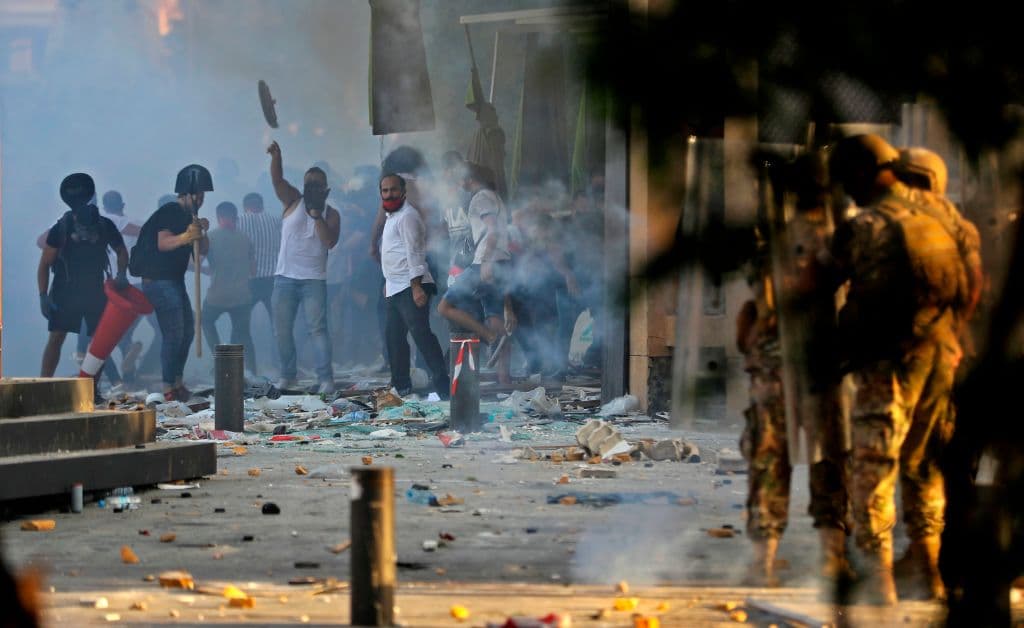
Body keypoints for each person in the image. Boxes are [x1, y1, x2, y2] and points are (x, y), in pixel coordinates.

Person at [828, 133, 966, 604]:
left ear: (862, 175)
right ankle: (928, 571)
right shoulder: (945, 217)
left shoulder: (867, 224)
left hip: (887, 361)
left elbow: (819, 281)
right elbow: (972, 285)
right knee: (924, 465)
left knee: (874, 465)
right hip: (940, 355)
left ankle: (879, 578)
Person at [736, 152, 850, 589]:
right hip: (822, 363)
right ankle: (832, 557)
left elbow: (756, 304)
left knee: (769, 458)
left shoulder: (771, 239)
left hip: (776, 361)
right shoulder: (839, 235)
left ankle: (762, 562)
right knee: (829, 456)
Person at [37, 173, 129, 398]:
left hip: (95, 291)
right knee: (57, 337)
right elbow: (45, 264)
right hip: (65, 290)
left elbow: (121, 251)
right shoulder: (62, 227)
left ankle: (92, 390)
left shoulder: (104, 225)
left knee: (99, 342)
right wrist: (43, 295)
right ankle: (42, 386)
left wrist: (121, 274)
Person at [131, 164, 212, 402]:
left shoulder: (189, 218)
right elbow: (163, 243)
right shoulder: (170, 211)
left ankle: (177, 382)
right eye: (196, 195)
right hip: (158, 280)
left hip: (174, 280)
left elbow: (201, 253)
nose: (200, 199)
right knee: (174, 332)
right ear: (184, 194)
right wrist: (187, 236)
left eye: (202, 195)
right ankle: (168, 387)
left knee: (187, 330)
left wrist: (201, 232)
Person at [266, 141, 340, 394]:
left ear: (326, 189)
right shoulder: (293, 200)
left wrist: (316, 214)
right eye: (309, 184)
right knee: (282, 331)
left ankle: (326, 379)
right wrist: (277, 157)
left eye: (317, 185)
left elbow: (329, 242)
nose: (312, 188)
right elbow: (277, 181)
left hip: (313, 280)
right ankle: (288, 376)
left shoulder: (331, 213)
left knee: (317, 330)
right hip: (285, 277)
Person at [437, 162, 516, 384]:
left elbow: (492, 230)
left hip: (484, 262)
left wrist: (487, 261)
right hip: (502, 262)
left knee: (444, 307)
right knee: (494, 317)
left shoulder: (480, 198)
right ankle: (504, 378)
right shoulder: (495, 197)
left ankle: (489, 337)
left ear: (469, 178)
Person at [379, 174, 450, 398]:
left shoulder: (408, 216)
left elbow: (415, 252)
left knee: (421, 335)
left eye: (393, 189)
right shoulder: (391, 217)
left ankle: (443, 385)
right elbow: (394, 253)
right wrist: (388, 282)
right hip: (395, 287)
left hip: (411, 286)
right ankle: (401, 387)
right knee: (394, 337)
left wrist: (416, 286)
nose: (389, 194)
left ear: (403, 192)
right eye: (385, 190)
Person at [201, 201, 257, 375]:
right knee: (244, 335)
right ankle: (252, 371)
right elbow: (253, 270)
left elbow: (195, 262)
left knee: (206, 321)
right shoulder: (245, 238)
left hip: (217, 296)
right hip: (242, 295)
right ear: (235, 217)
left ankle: (221, 359)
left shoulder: (210, 237)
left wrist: (206, 270)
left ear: (218, 217)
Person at [237, 191, 281, 374]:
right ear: (261, 205)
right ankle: (282, 366)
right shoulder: (275, 221)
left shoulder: (239, 220)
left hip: (249, 280)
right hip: (273, 278)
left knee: (241, 325)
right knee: (278, 326)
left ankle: (247, 368)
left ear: (245, 206)